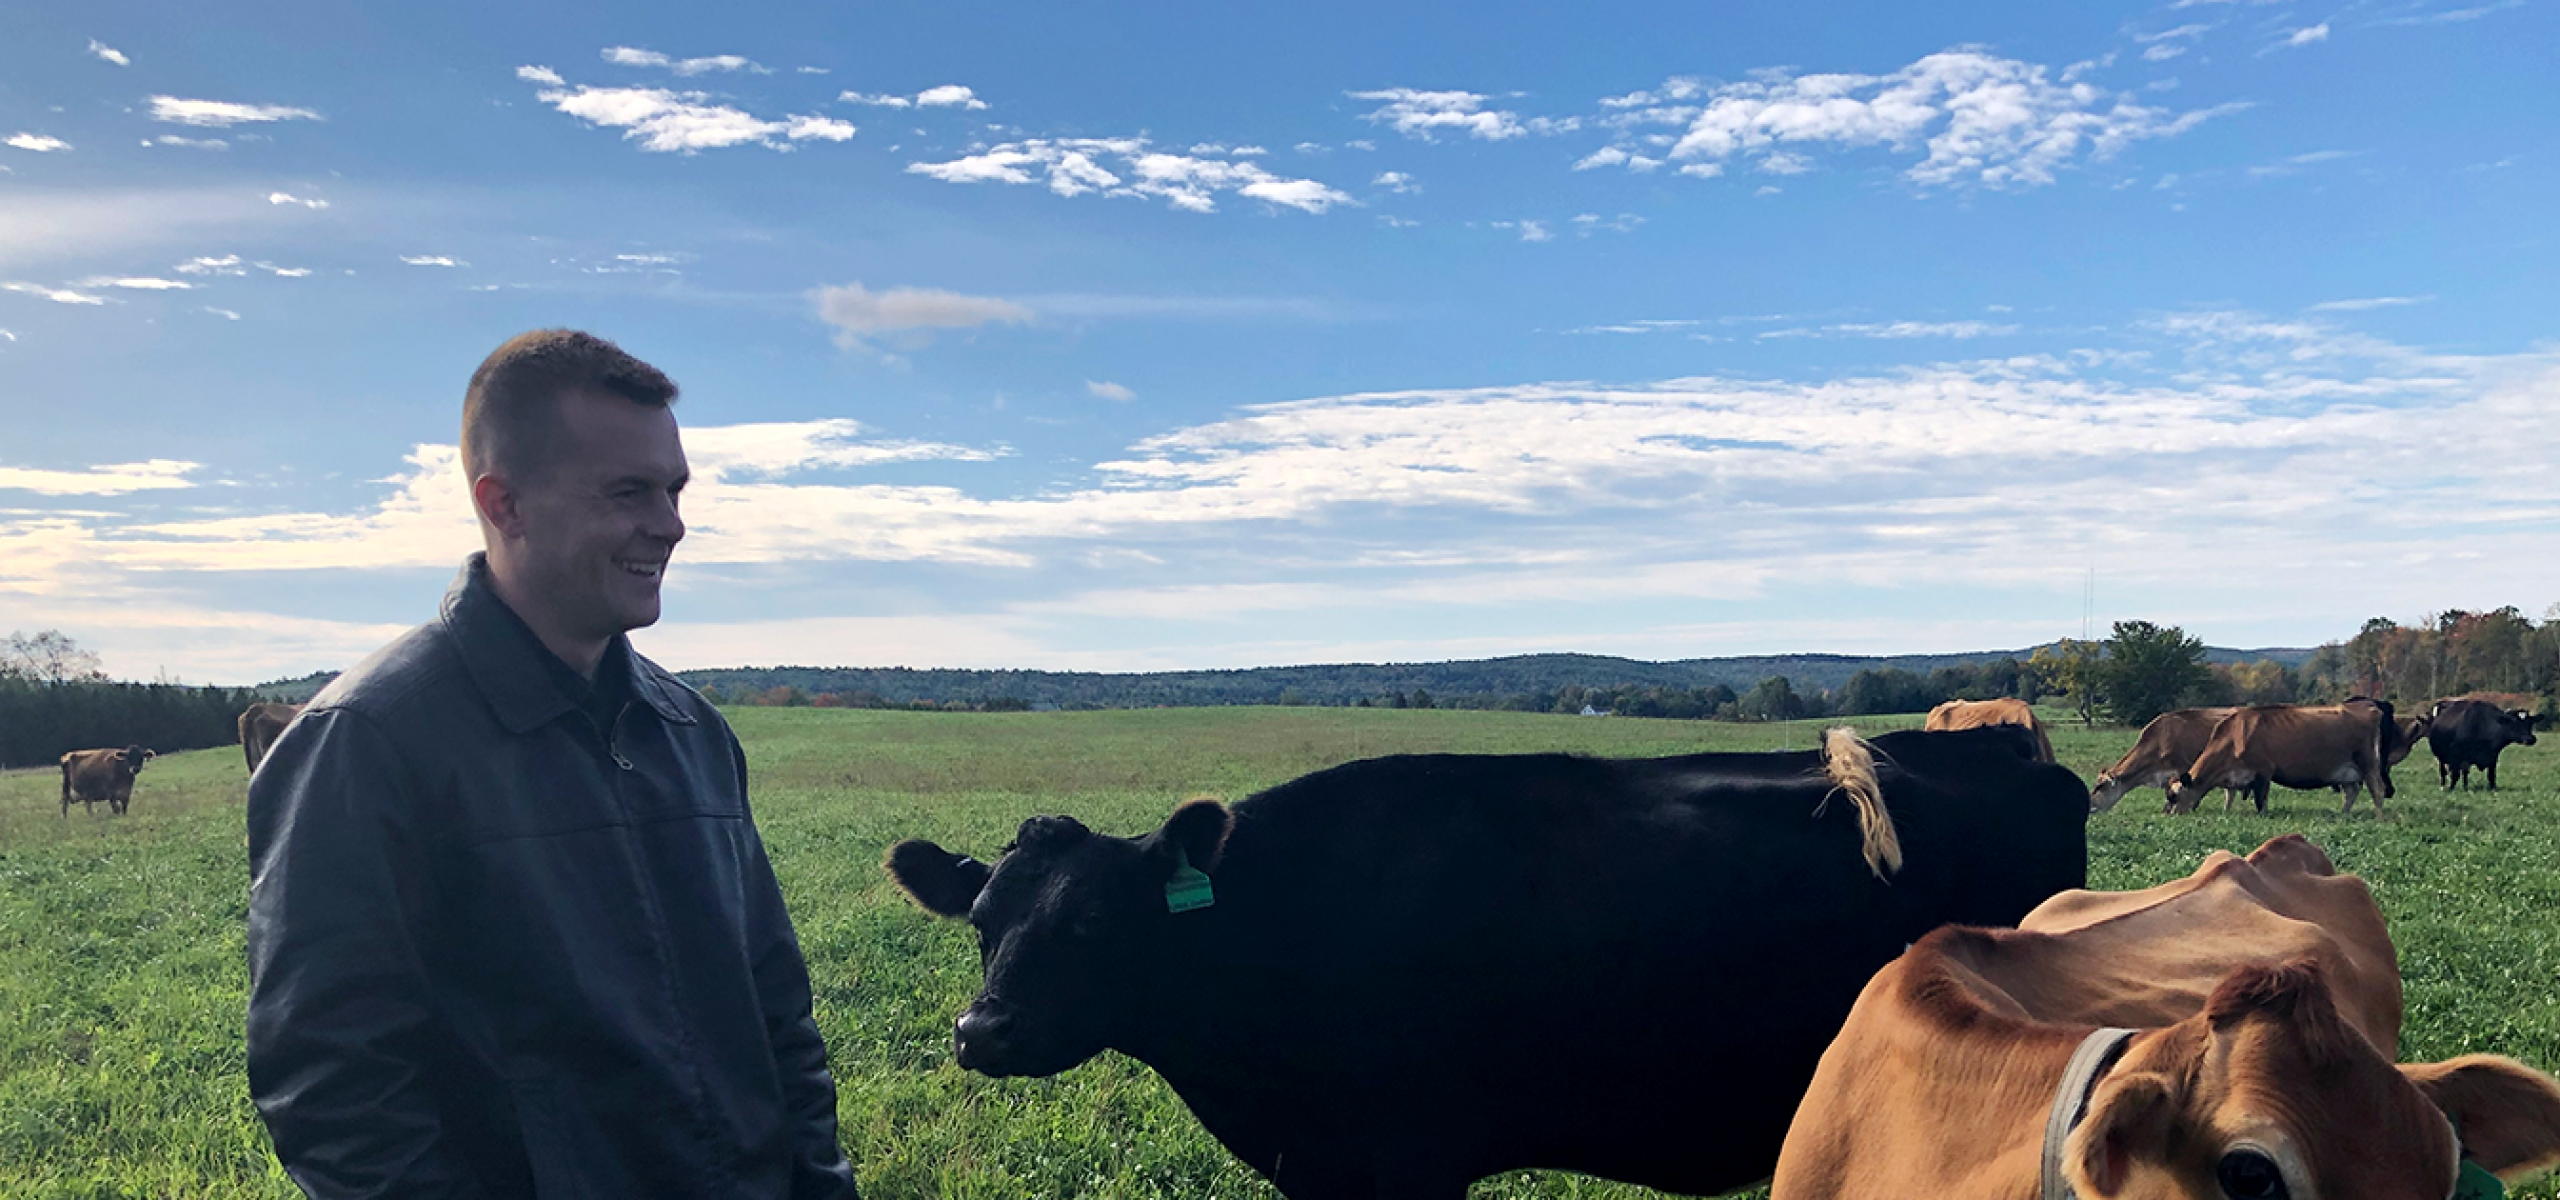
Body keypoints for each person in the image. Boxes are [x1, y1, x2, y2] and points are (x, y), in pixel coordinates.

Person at [246, 330, 860, 1199]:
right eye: (628, 492)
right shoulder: (366, 743)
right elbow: (335, 1090)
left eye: (674, 490)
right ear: (504, 505)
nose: (670, 524)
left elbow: (777, 1018)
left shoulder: (691, 732)